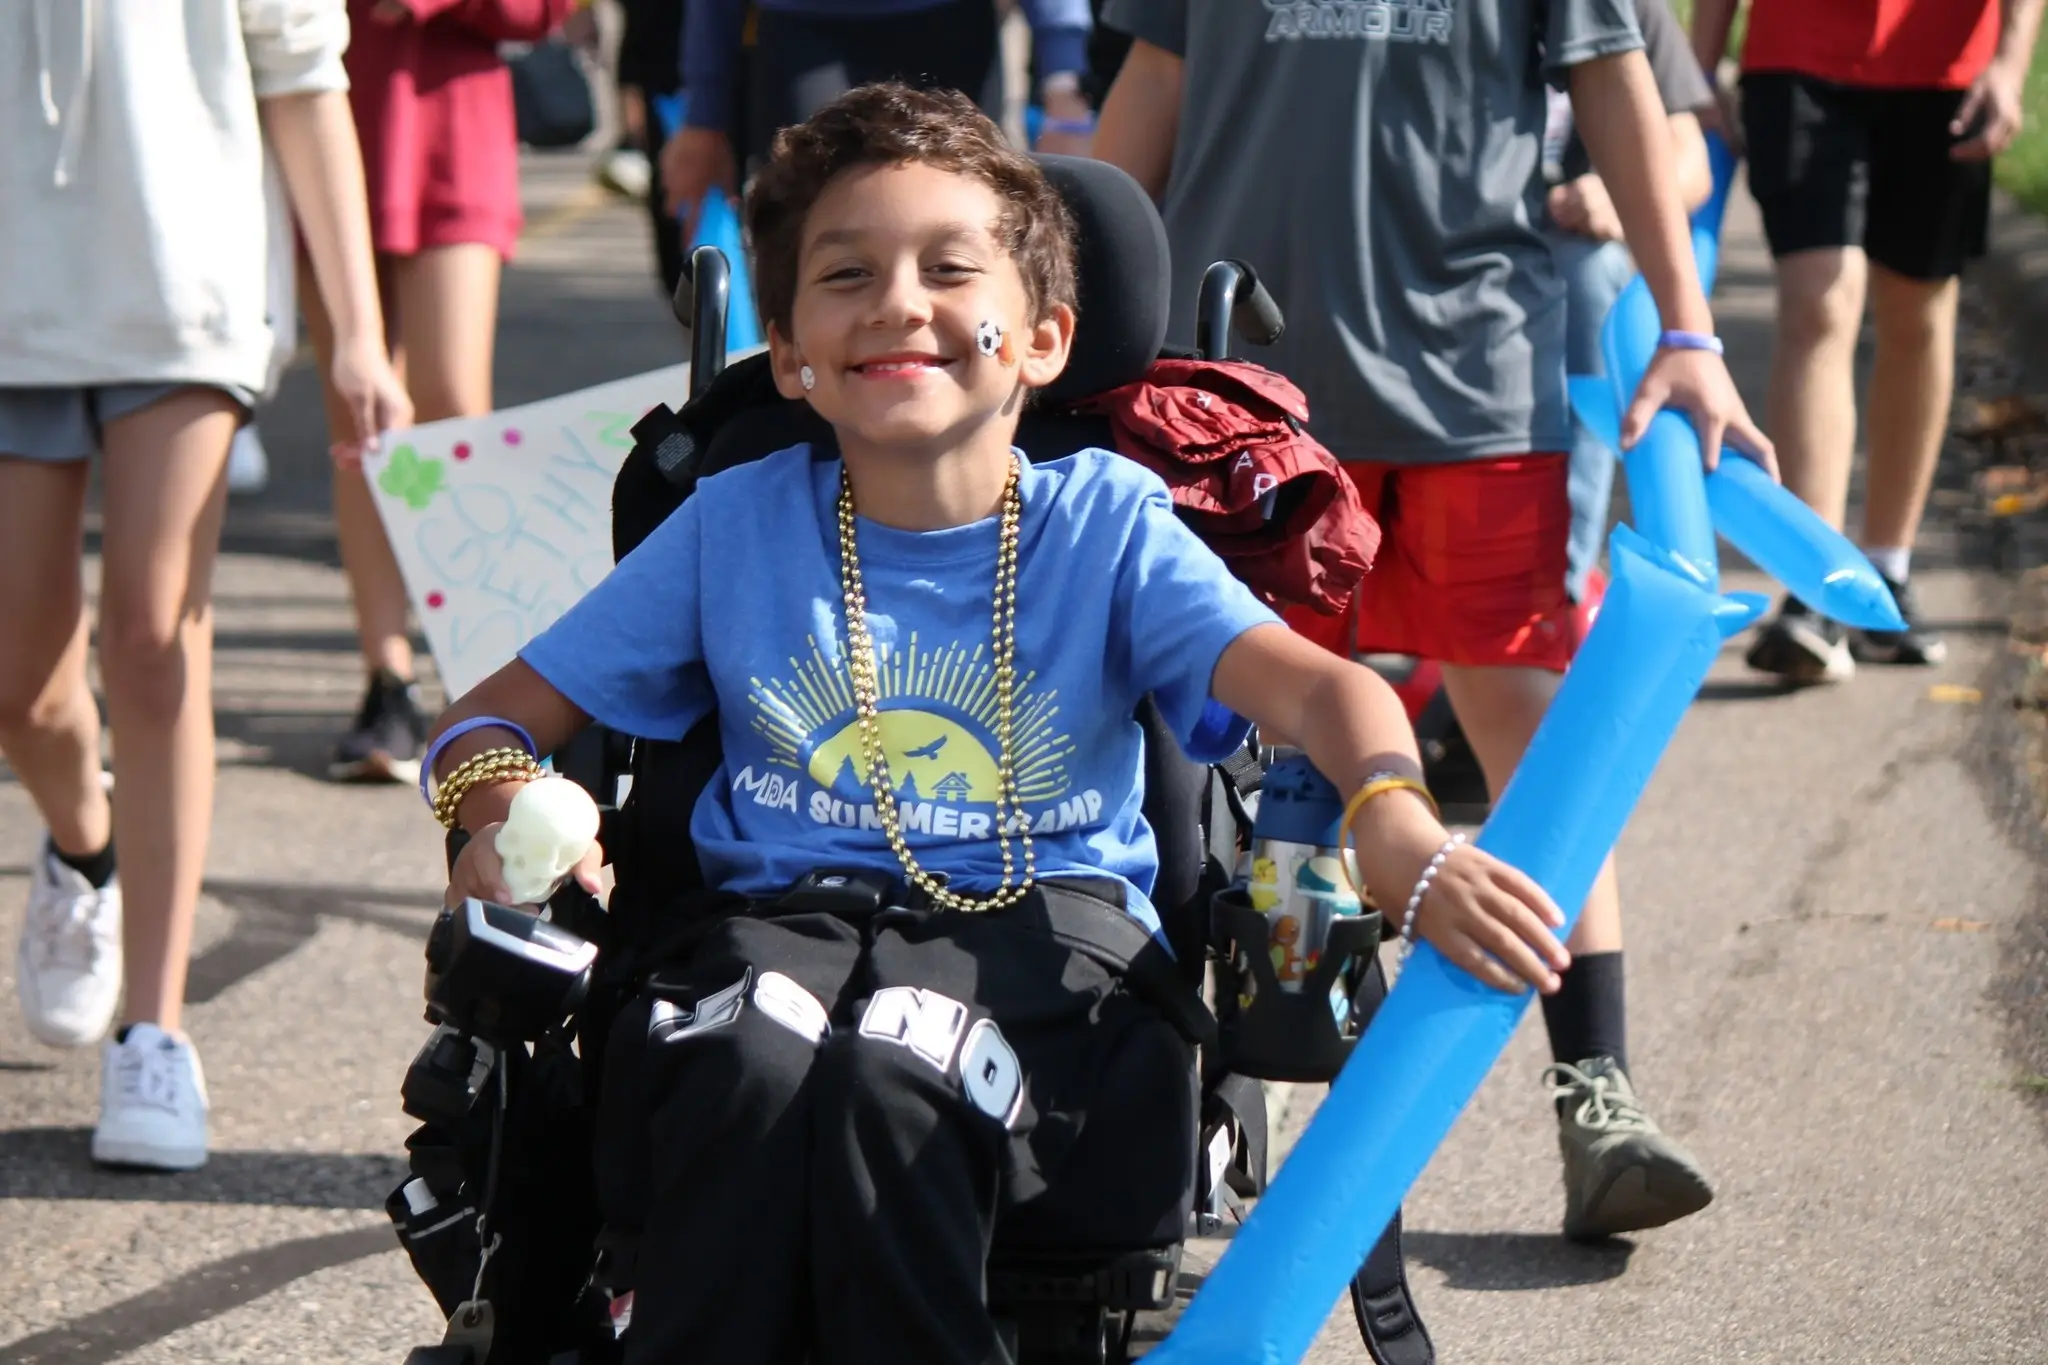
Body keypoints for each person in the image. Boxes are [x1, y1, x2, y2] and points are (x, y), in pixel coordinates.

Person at [425, 83, 1572, 1357]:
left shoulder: (1107, 522)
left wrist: (1395, 823)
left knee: (892, 1074)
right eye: (845, 273)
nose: (897, 301)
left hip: (1045, 946)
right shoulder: (734, 525)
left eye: (948, 268)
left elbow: (1326, 689)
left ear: (1040, 339)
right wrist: (495, 812)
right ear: (793, 356)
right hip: (764, 932)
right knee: (739, 1063)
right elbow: (484, 724)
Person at [1092, 0, 1774, 1240]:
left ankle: (1595, 1089)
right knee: (1221, 729)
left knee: (1516, 707)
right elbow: (1148, 94)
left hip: (1474, 372)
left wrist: (1687, 327)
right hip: (1239, 385)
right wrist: (1062, 307)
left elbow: (1623, 91)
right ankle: (1168, 1095)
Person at [2, 0, 409, 1170]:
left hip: (189, 288)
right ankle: (88, 848)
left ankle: (155, 1028)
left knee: (152, 628)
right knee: (21, 687)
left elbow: (304, 75)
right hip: (13, 290)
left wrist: (358, 333)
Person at [1694, 0, 2046, 683]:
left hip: (1947, 67)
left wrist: (2010, 64)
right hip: (1797, 53)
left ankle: (1886, 571)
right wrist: (1699, 69)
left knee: (1917, 309)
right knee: (1820, 300)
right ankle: (1815, 585)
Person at [310, 0, 578, 785]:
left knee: (454, 405)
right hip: (326, 118)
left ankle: (484, 677)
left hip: (453, 130)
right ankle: (385, 678)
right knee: (360, 425)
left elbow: (541, 12)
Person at [658, 0, 1098, 235]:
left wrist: (1064, 87)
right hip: (802, 33)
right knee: (812, 223)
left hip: (949, 29)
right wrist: (704, 116)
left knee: (958, 220)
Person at [1547, 0, 1717, 606]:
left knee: (1591, 277)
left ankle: (1558, 591)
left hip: (1565, 246)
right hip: (1438, 249)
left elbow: (1693, 162)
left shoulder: (1628, 9)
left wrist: (1614, 201)